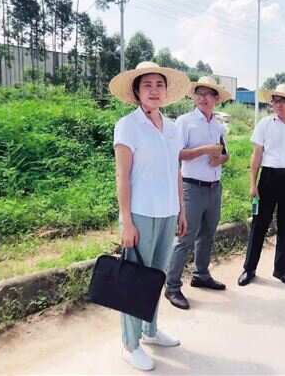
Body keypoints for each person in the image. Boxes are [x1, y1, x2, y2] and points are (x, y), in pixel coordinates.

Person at [110, 61, 190, 371]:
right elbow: (122, 176)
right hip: (140, 214)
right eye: (147, 85)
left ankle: (150, 330)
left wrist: (181, 209)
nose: (154, 90)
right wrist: (127, 221)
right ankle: (130, 345)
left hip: (168, 212)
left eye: (159, 85)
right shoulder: (127, 126)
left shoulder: (172, 128)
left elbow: (176, 171)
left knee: (156, 277)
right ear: (136, 91)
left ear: (166, 91)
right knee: (135, 280)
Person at [165, 76, 232, 310]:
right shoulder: (185, 122)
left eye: (209, 94)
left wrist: (220, 158)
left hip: (214, 187)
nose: (204, 98)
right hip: (191, 187)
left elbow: (225, 154)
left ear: (216, 99)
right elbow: (177, 154)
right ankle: (172, 286)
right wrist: (204, 150)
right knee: (185, 237)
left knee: (208, 233)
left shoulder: (219, 125)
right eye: (199, 94)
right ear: (194, 97)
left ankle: (201, 274)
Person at [238, 83, 285, 287]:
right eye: (275, 100)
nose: (278, 105)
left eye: (283, 101)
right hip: (268, 178)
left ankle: (281, 270)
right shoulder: (264, 124)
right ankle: (249, 269)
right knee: (259, 224)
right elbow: (256, 155)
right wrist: (253, 184)